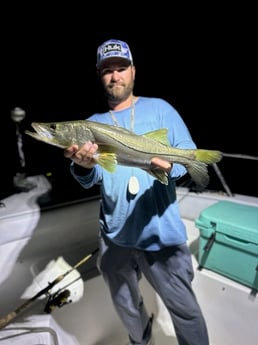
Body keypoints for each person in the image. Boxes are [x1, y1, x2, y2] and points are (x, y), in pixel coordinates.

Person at [64, 39, 209, 345]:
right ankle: (141, 341)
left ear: (133, 71)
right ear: (99, 75)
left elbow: (188, 154)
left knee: (186, 312)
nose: (115, 76)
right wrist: (85, 166)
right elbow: (91, 179)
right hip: (114, 235)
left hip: (160, 234)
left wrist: (169, 168)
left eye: (121, 68)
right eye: (107, 71)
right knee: (126, 306)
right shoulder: (90, 124)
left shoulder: (160, 109)